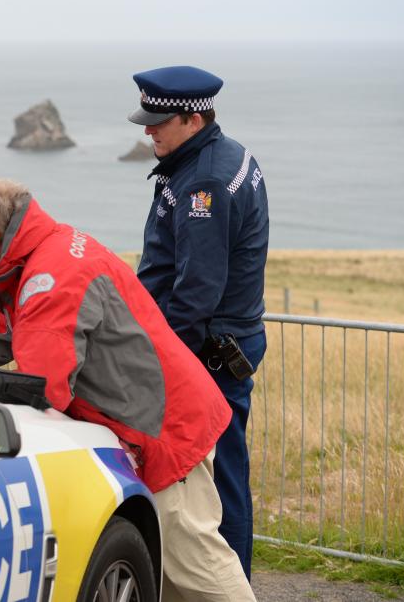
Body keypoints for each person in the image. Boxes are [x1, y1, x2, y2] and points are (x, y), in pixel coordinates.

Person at [0, 179, 256, 601]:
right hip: (167, 417)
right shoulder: (49, 252)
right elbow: (3, 331)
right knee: (175, 579)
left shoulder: (48, 281)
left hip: (163, 432)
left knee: (201, 571)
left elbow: (43, 390)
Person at [128, 65, 269, 578]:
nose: (147, 130)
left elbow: (196, 291)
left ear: (190, 118)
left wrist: (160, 358)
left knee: (220, 479)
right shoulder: (217, 156)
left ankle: (231, 586)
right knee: (221, 472)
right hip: (221, 342)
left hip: (210, 349)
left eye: (157, 122)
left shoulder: (204, 181)